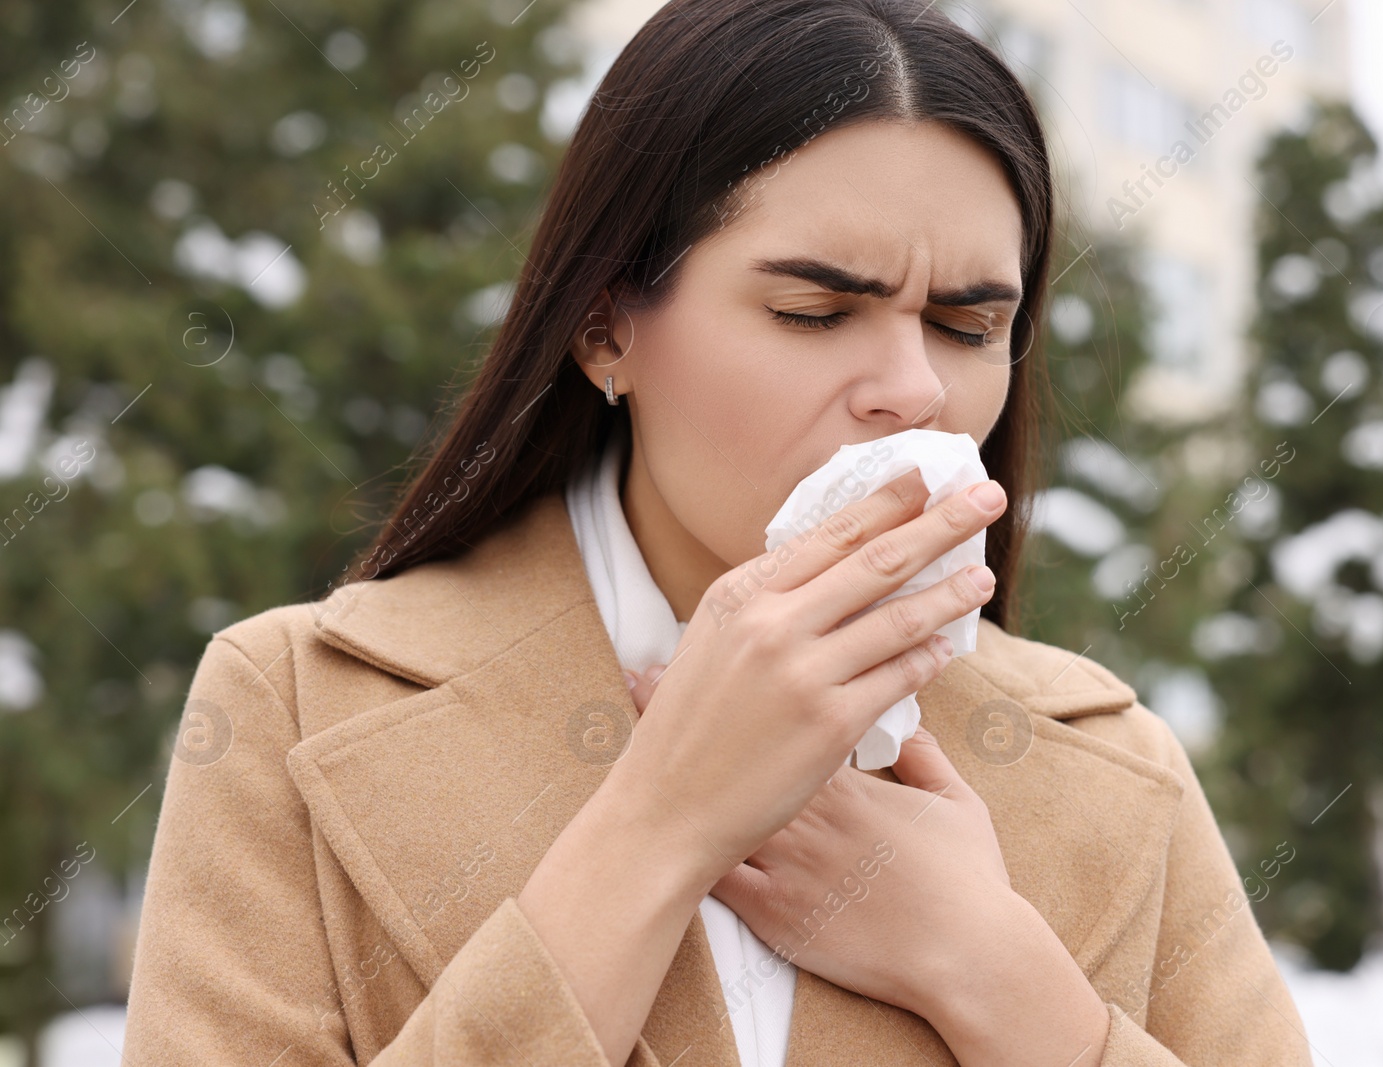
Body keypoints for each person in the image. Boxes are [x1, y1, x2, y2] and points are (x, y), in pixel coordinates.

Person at [122, 0, 1313, 1064]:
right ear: (603, 329)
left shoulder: (1111, 762)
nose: (909, 388)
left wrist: (995, 977)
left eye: (964, 325)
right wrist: (657, 830)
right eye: (813, 311)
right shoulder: (291, 703)